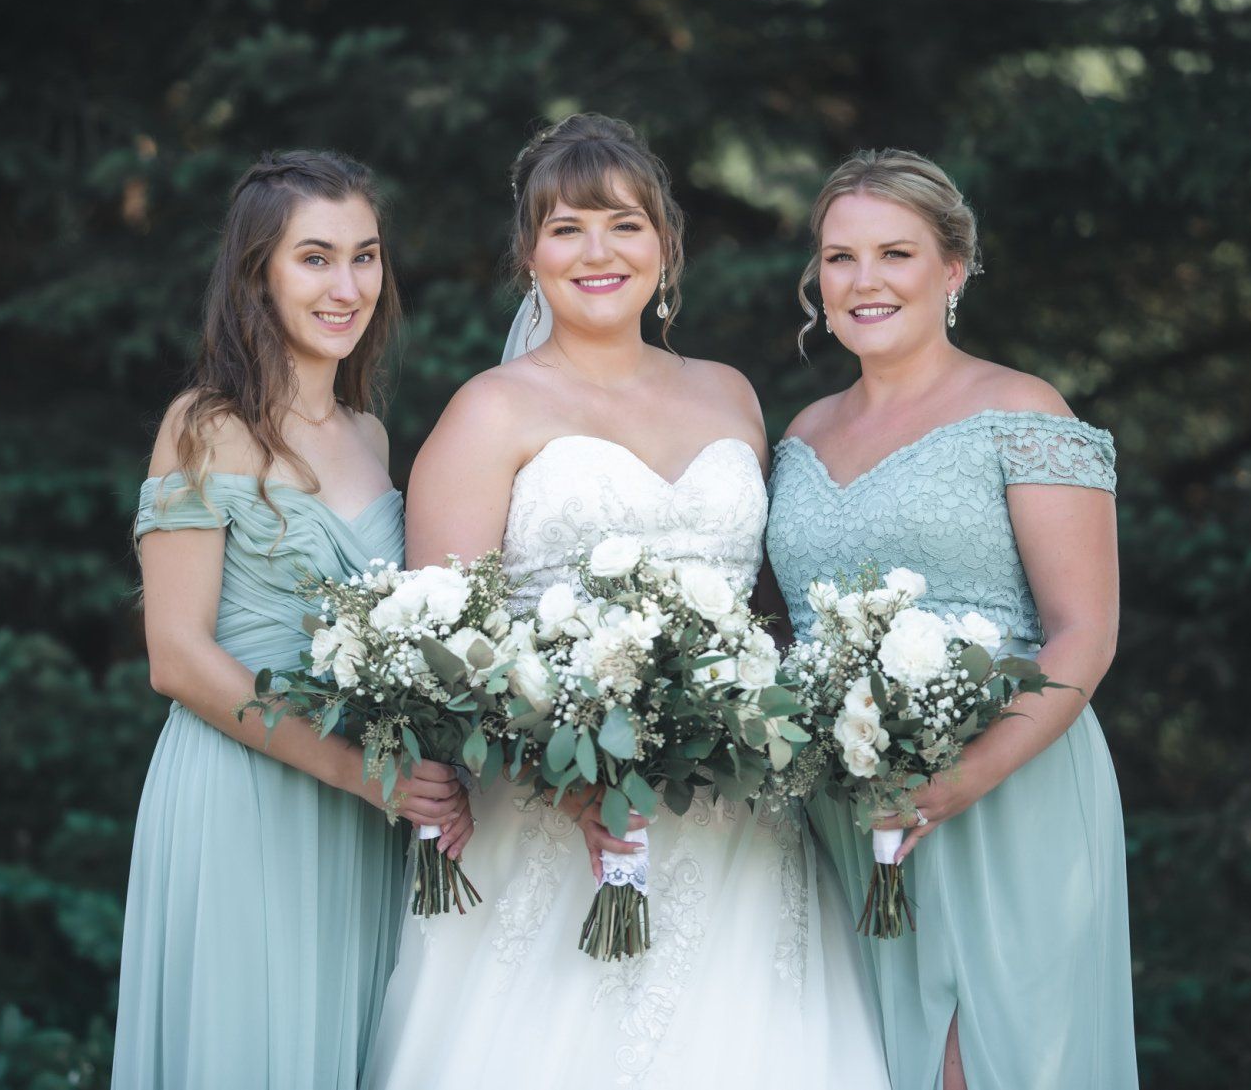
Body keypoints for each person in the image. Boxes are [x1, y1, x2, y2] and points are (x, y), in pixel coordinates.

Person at [363, 114, 888, 1090]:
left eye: (624, 225)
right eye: (566, 229)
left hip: (737, 828)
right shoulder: (491, 410)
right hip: (556, 825)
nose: (597, 252)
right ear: (529, 254)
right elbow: (437, 649)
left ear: (666, 246)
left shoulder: (731, 395)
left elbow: (760, 611)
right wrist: (572, 787)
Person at [765, 149, 1137, 1089]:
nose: (865, 281)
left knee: (987, 1060)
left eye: (896, 252)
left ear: (953, 270)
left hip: (1005, 790)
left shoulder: (1021, 410)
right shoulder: (800, 434)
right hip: (845, 807)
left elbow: (1084, 634)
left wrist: (963, 780)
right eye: (840, 257)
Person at [111, 151, 470, 1090]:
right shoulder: (206, 424)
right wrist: (362, 774)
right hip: (246, 789)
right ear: (256, 273)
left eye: (367, 256)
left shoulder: (371, 434)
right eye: (315, 258)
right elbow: (178, 657)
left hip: (362, 809)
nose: (347, 286)